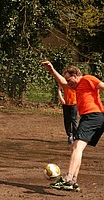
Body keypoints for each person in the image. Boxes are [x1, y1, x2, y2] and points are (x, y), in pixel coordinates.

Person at [43, 61, 104, 191]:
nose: (67, 82)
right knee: (75, 147)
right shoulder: (77, 86)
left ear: (75, 75)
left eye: (69, 79)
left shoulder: (88, 79)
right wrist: (52, 70)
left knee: (77, 147)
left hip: (93, 116)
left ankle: (68, 178)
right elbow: (63, 83)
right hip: (89, 117)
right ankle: (73, 181)